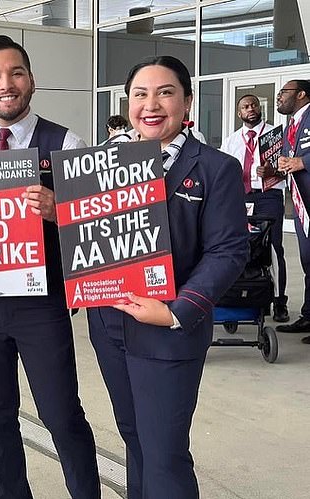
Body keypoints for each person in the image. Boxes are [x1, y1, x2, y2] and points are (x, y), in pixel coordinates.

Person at [0, 35, 100, 499]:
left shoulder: (66, 142)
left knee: (61, 415)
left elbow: (96, 230)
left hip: (41, 306)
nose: (5, 85)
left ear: (32, 80)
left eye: (15, 73)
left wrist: (62, 209)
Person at [86, 56, 249, 499]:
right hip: (109, 323)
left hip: (167, 330)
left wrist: (177, 312)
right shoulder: (102, 165)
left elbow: (229, 249)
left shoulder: (216, 168)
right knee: (135, 440)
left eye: (165, 92)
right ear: (128, 103)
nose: (151, 104)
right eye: (140, 94)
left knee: (164, 455)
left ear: (187, 101)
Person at [220, 94, 289, 322]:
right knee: (242, 245)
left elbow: (289, 168)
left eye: (253, 105)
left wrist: (274, 172)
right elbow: (221, 173)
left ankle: (279, 302)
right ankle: (242, 295)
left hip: (269, 195)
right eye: (245, 107)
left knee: (273, 246)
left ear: (260, 108)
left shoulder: (275, 136)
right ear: (239, 113)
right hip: (242, 198)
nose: (250, 109)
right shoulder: (231, 141)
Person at [274, 79, 310, 344]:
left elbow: (300, 161)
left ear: (301, 94)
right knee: (308, 262)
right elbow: (290, 162)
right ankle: (309, 316)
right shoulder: (291, 125)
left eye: (283, 92)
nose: (278, 97)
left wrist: (302, 161)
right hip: (301, 206)